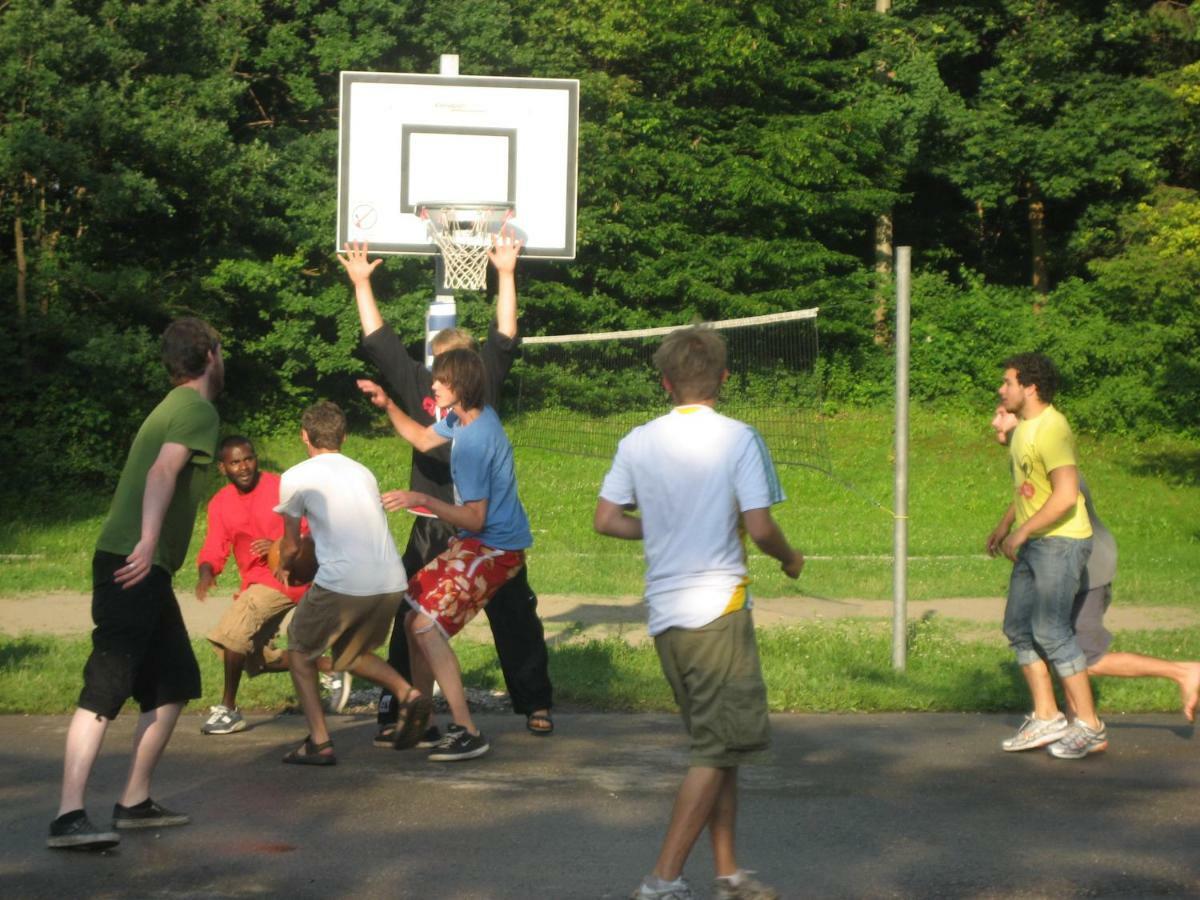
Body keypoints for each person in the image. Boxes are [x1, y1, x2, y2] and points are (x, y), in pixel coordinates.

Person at [594, 325, 804, 900]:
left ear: (665, 383)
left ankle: (728, 871)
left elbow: (607, 519)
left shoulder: (638, 441)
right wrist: (791, 558)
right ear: (724, 379)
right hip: (720, 611)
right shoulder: (739, 438)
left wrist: (661, 527)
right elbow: (760, 527)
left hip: (666, 617)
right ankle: (662, 880)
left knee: (722, 746)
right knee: (714, 749)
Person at [339, 237, 554, 744]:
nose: (439, 377)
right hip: (436, 525)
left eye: (450, 368)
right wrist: (362, 283)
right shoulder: (421, 384)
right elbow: (379, 338)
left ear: (466, 373)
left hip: (483, 529)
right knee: (411, 610)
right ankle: (407, 707)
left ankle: (533, 700)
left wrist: (505, 271)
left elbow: (504, 335)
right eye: (437, 366)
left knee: (512, 613)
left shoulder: (480, 397)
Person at [48, 318, 223, 851]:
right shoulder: (196, 408)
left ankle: (134, 801)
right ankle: (68, 815)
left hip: (145, 565)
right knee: (108, 681)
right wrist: (148, 542)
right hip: (134, 561)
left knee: (172, 683)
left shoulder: (170, 407)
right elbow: (162, 473)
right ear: (212, 355)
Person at [990, 407, 1200, 723]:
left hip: (1088, 567)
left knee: (1084, 655)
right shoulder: (1029, 459)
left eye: (1002, 414)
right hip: (1069, 564)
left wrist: (1021, 532)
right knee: (1053, 642)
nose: (995, 422)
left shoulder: (1050, 454)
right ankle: (1077, 723)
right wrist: (1004, 526)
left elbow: (1059, 499)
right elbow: (1027, 496)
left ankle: (1183, 671)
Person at [375, 347, 533, 762]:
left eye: (440, 381)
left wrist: (420, 497)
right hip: (476, 540)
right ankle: (424, 720)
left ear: (460, 386)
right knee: (411, 611)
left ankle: (468, 730)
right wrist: (388, 404)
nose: (433, 386)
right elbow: (424, 438)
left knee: (426, 627)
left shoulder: (475, 442)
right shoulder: (463, 419)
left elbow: (476, 518)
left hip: (496, 548)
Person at [273, 401, 430, 765]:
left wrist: (284, 564)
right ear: (343, 437)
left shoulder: (295, 476)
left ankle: (319, 741)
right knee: (351, 655)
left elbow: (293, 544)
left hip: (343, 580)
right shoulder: (363, 472)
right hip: (391, 579)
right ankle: (408, 694)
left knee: (299, 651)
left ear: (304, 436)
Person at [986, 352, 1105, 759]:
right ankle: (1047, 715)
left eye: (1008, 382)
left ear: (1030, 387)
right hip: (1038, 541)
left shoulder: (1052, 429)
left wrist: (1020, 533)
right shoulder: (1023, 430)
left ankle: (1088, 725)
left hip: (1062, 542)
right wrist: (1006, 525)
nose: (1002, 390)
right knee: (1019, 628)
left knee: (1052, 632)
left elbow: (1066, 496)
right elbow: (1030, 489)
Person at [195, 435, 349, 736]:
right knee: (253, 658)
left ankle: (229, 709)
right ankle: (330, 667)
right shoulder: (220, 503)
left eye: (248, 459)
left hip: (286, 577)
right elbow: (215, 545)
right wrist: (206, 571)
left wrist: (277, 545)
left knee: (233, 632)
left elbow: (309, 532)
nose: (244, 467)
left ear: (256, 459)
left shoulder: (281, 488)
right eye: (235, 462)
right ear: (223, 468)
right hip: (255, 582)